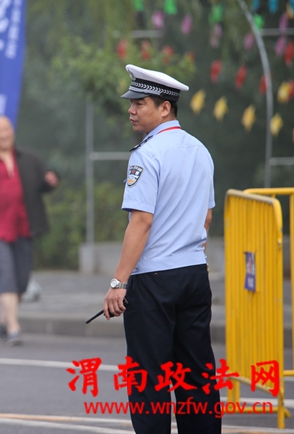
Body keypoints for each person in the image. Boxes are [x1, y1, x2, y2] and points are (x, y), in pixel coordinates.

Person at [102, 65, 220, 433]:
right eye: (132, 103)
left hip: (155, 280)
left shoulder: (147, 154)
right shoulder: (200, 150)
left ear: (165, 108)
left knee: (149, 379)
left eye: (140, 103)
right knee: (196, 376)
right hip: (194, 275)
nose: (131, 110)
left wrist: (118, 282)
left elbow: (141, 222)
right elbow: (207, 217)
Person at [0, 115, 58, 345]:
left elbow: (44, 183)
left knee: (22, 282)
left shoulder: (30, 159)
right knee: (5, 275)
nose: (4, 134)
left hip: (24, 228)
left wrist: (51, 180)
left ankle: (4, 316)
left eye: (6, 129)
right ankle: (14, 327)